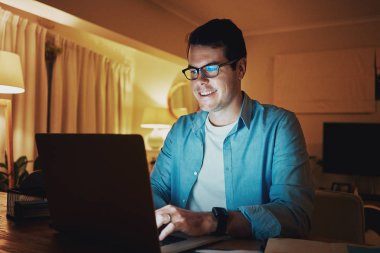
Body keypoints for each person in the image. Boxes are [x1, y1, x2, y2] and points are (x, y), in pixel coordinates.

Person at [150, 18, 314, 241]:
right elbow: (154, 189)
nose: (200, 81)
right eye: (194, 71)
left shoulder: (280, 126)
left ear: (241, 68)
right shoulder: (181, 129)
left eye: (211, 68)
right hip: (177, 246)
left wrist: (208, 222)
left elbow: (295, 216)